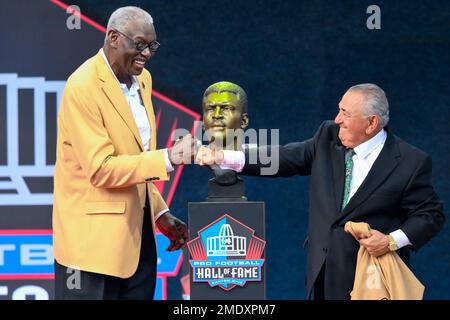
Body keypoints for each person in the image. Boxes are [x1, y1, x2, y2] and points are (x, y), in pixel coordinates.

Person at [196, 83, 445, 299]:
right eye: (339, 110)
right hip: (324, 272)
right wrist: (223, 156)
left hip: (372, 280)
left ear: (372, 123)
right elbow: (284, 157)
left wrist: (391, 241)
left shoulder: (410, 161)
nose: (337, 119)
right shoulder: (329, 136)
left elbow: (430, 215)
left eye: (346, 114)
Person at [53, 6, 195, 300]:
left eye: (152, 45)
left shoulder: (143, 80)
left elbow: (134, 156)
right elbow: (101, 168)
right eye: (139, 44)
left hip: (137, 242)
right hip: (92, 253)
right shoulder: (82, 87)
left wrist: (159, 212)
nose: (146, 53)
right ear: (113, 37)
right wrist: (169, 158)